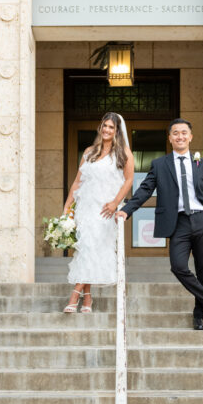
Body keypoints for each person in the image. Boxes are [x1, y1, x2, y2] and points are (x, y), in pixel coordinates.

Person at [116, 118, 203, 330]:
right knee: (178, 266)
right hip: (179, 222)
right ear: (170, 138)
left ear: (190, 137)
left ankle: (198, 317)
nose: (180, 136)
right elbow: (145, 190)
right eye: (176, 133)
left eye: (184, 133)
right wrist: (126, 211)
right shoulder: (160, 164)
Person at [62, 112, 134, 313]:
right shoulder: (89, 152)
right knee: (86, 249)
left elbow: (128, 180)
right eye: (104, 126)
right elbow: (78, 182)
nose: (107, 130)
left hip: (105, 210)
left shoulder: (124, 153)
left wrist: (115, 203)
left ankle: (75, 295)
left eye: (111, 127)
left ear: (117, 131)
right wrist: (67, 208)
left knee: (93, 248)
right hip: (85, 208)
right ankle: (87, 299)